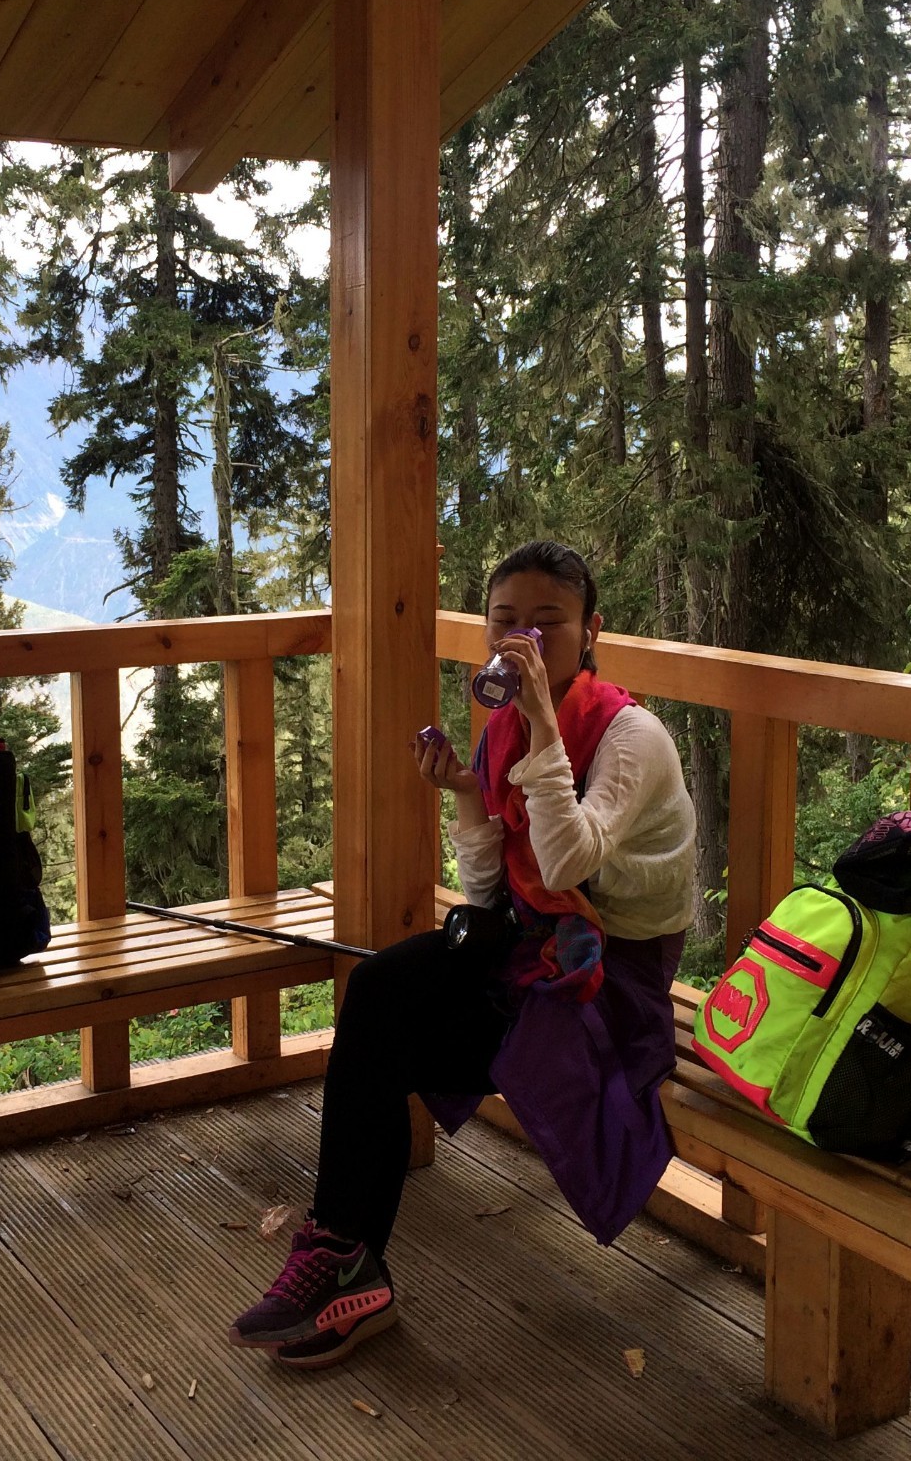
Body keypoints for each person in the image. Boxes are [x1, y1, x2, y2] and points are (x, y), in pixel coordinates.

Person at [227, 540, 698, 1370]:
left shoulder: (631, 737)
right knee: (380, 986)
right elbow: (489, 897)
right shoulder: (508, 729)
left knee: (390, 1037)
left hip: (609, 977)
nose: (525, 642)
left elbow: (565, 864)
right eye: (505, 624)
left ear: (591, 632)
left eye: (548, 624)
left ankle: (346, 1262)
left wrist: (545, 731)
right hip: (534, 946)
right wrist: (467, 797)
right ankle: (343, 1255)